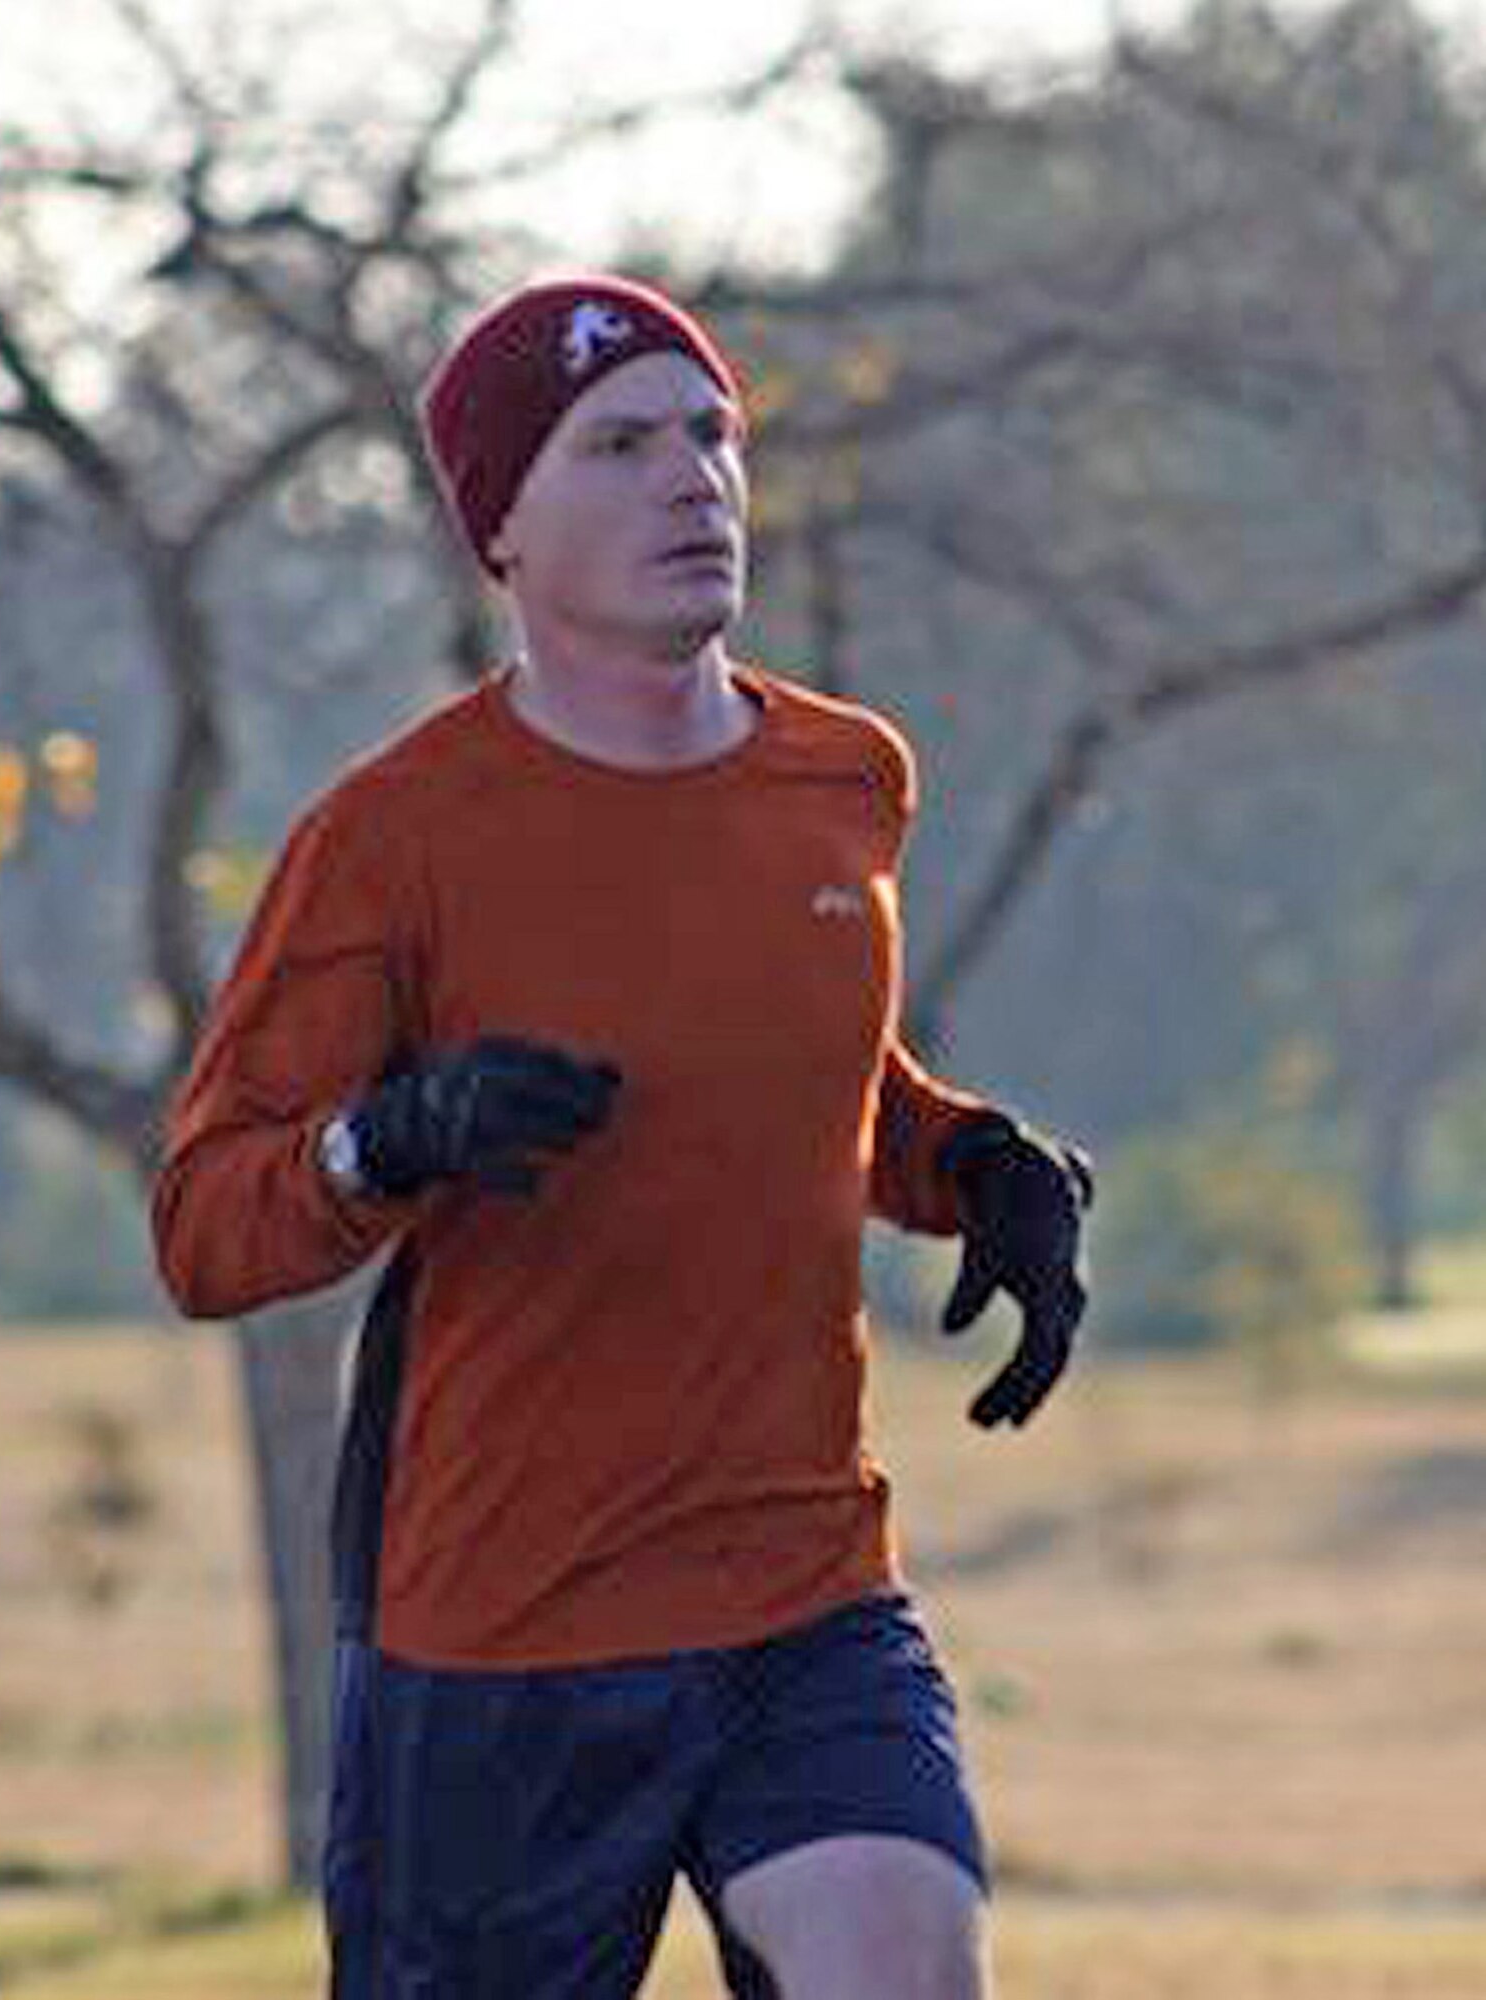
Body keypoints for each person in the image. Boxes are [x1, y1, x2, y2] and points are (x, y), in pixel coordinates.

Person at [151, 272, 1092, 2000]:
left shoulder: (843, 780)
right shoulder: (391, 838)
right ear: (499, 528)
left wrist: (968, 1166)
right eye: (618, 446)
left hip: (800, 1593)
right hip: (498, 1632)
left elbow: (820, 1076)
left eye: (711, 435)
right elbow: (207, 1226)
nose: (692, 479)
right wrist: (389, 1142)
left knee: (903, 1963)